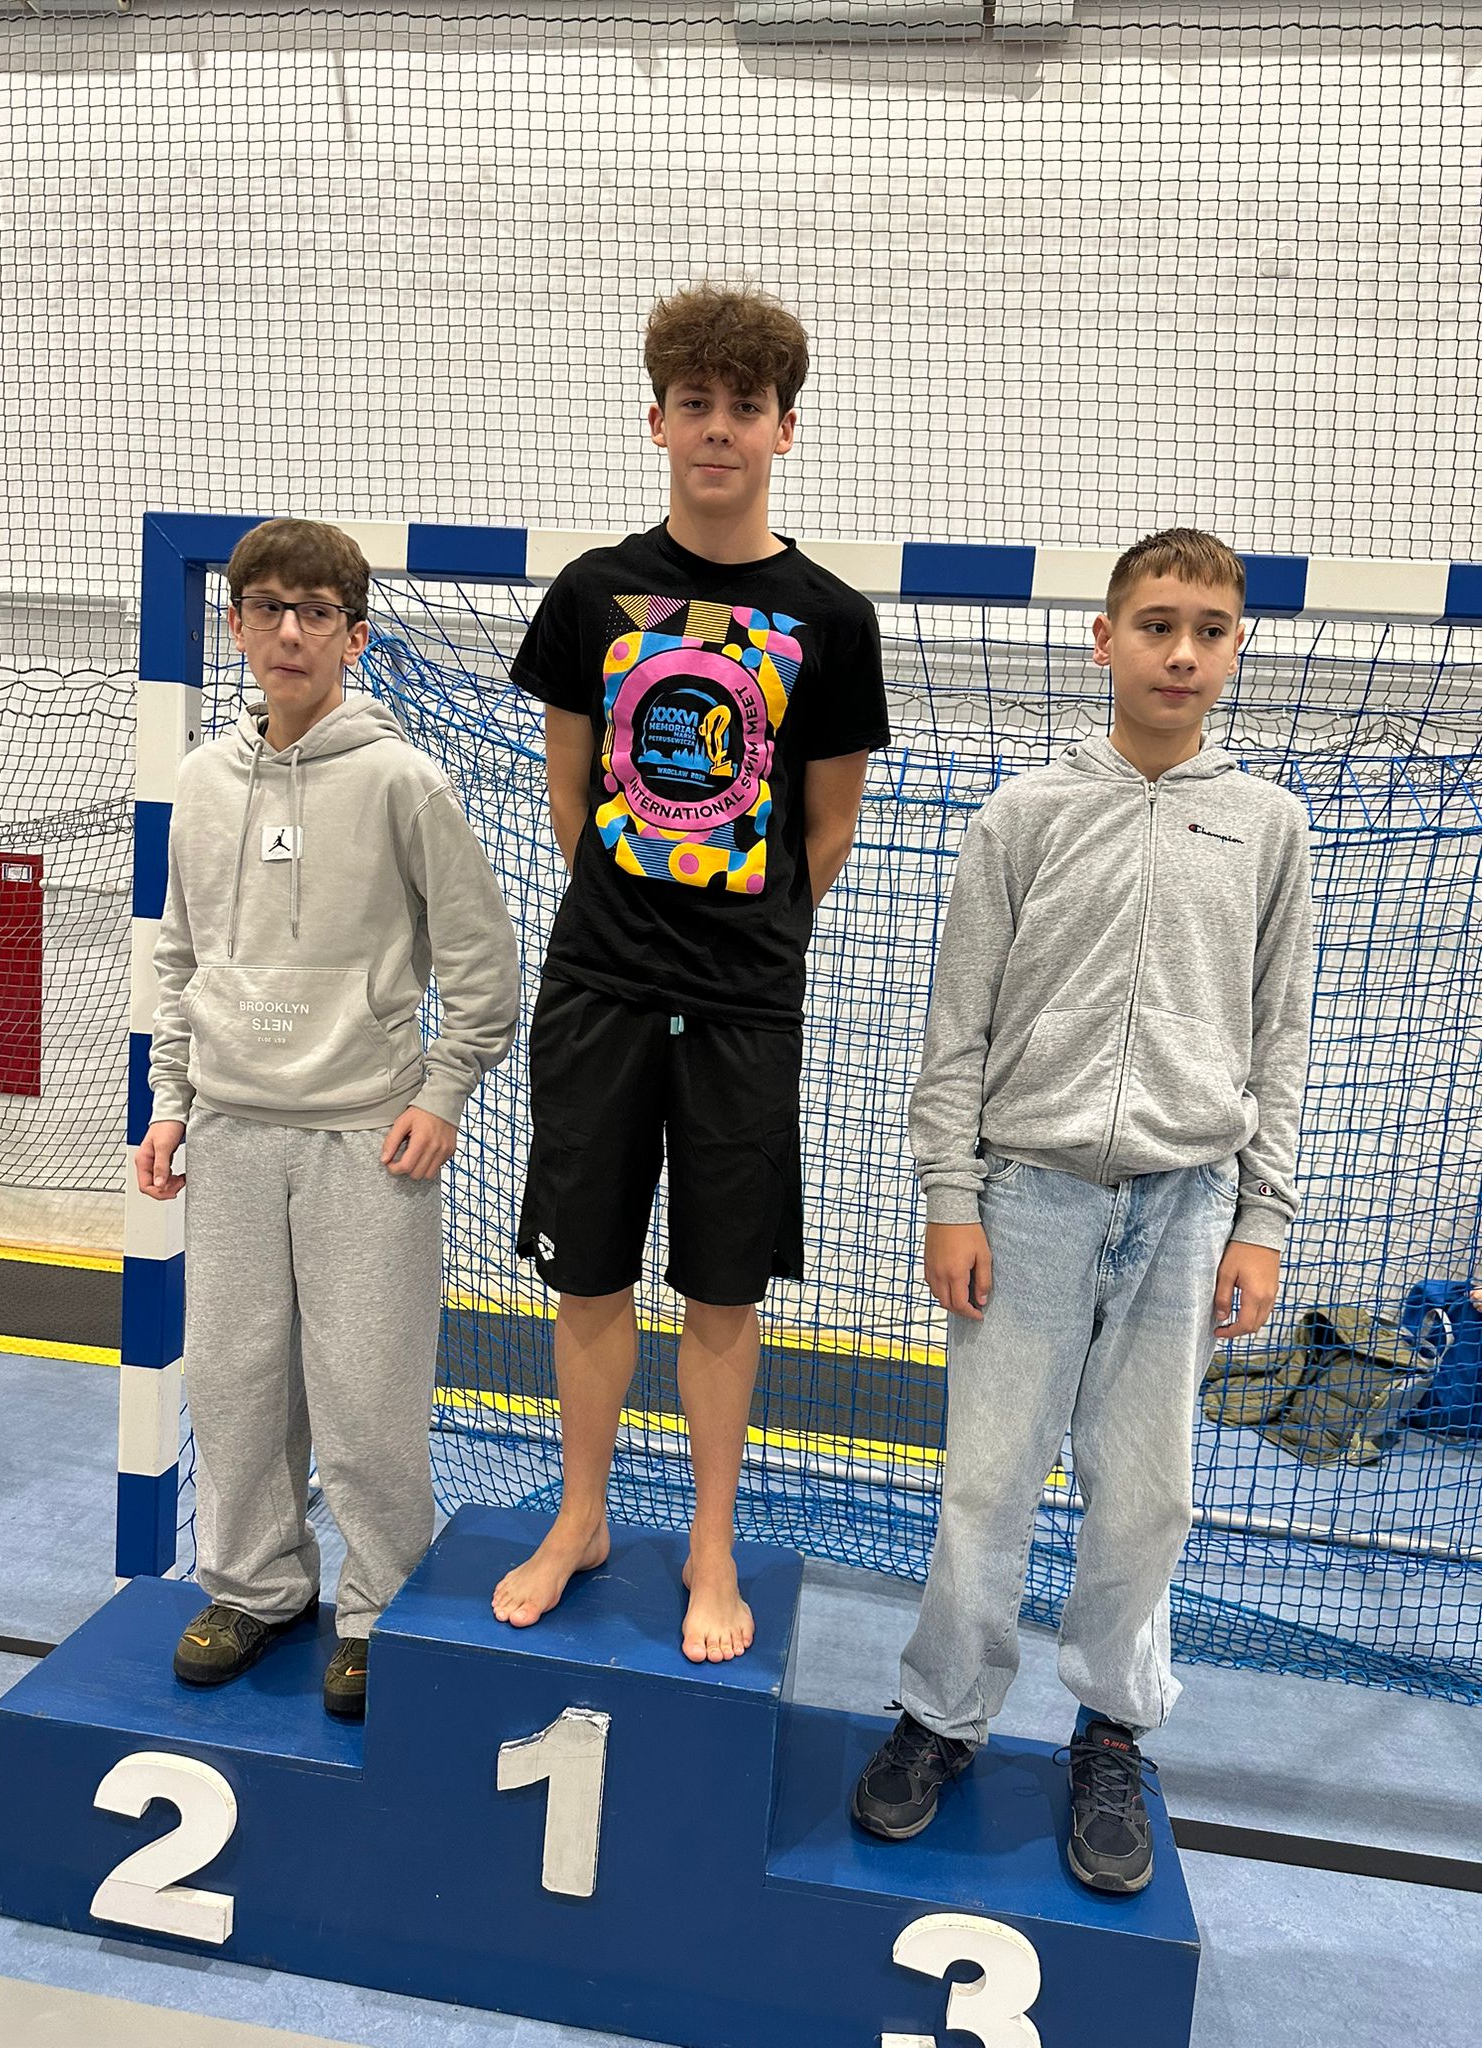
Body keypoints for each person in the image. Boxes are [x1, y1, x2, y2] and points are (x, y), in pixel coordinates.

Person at [851, 529, 1312, 1891]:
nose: (1183, 652)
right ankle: (942, 1713)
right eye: (1156, 624)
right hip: (1028, 1198)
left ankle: (1112, 1731)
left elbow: (1280, 1035)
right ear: (1103, 640)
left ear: (1238, 648)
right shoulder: (1024, 815)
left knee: (1148, 1494)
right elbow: (958, 1027)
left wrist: (1263, 1220)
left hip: (1188, 1206)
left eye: (1210, 630)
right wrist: (952, 1194)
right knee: (987, 1481)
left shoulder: (1269, 825)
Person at [492, 284, 891, 1663]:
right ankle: (582, 1515)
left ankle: (710, 1543)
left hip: (742, 1003)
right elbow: (570, 796)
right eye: (697, 404)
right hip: (599, 986)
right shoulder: (593, 594)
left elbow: (825, 826)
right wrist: (638, 907)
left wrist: (742, 930)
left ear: (786, 428)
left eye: (747, 407)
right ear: (657, 420)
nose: (720, 428)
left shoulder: (831, 619)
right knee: (589, 1274)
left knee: (723, 1288)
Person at [137, 517, 519, 1720]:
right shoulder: (203, 783)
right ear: (236, 624)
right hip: (232, 1135)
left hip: (366, 1140)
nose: (289, 632)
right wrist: (170, 1102)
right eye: (267, 608)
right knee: (235, 1381)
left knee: (366, 1396)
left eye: (316, 612)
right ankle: (255, 1586)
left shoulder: (405, 781)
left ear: (354, 636)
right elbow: (181, 956)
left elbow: (485, 963)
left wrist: (441, 1094)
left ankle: (378, 1606)